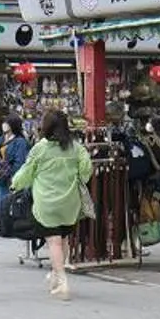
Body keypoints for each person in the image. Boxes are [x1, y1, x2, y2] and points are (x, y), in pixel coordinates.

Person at [11, 108, 95, 301]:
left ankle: (63, 281)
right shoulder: (76, 148)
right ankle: (57, 275)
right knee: (63, 239)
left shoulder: (40, 149)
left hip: (47, 203)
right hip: (70, 203)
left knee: (53, 240)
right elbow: (86, 169)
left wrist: (15, 184)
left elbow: (26, 172)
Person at [0, 115, 31, 234]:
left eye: (7, 123)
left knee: (11, 203)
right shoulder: (1, 139)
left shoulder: (20, 142)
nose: (4, 125)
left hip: (10, 177)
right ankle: (1, 226)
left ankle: (10, 227)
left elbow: (20, 161)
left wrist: (12, 175)